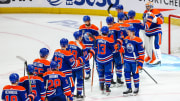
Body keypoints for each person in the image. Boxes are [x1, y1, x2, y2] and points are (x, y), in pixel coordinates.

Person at [90, 26, 115, 95]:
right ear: (108, 32)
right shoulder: (110, 40)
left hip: (99, 59)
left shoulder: (97, 39)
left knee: (101, 73)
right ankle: (107, 87)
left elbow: (94, 47)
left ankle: (101, 86)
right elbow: (114, 50)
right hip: (107, 59)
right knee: (107, 73)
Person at [122, 26, 145, 96]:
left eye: (128, 31)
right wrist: (119, 48)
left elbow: (141, 52)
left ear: (132, 32)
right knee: (126, 74)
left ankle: (136, 87)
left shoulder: (138, 40)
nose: (127, 33)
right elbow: (123, 49)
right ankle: (129, 88)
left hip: (135, 62)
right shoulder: (126, 39)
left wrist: (141, 62)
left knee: (135, 74)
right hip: (127, 60)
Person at [67, 31, 88, 98]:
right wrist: (91, 52)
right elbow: (86, 57)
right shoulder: (82, 46)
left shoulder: (69, 43)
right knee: (80, 80)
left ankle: (71, 93)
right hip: (79, 67)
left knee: (71, 81)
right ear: (79, 37)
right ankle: (79, 93)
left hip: (71, 66)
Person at [106, 16, 124, 87]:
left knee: (119, 64)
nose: (109, 24)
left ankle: (119, 78)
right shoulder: (105, 29)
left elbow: (120, 37)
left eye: (110, 23)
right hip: (109, 52)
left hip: (116, 50)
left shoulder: (117, 28)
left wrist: (118, 44)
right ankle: (110, 79)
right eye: (108, 23)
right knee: (111, 66)